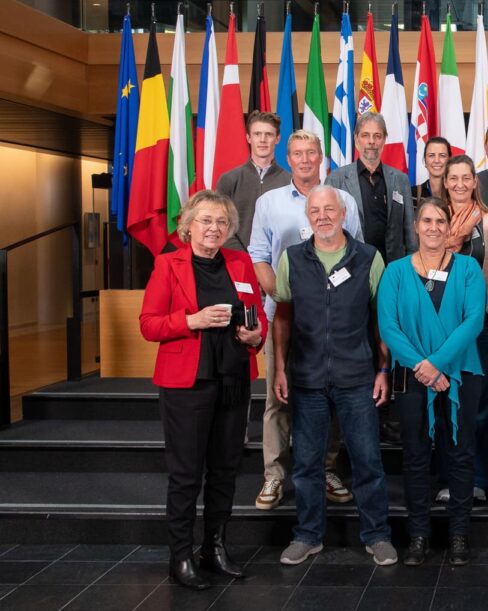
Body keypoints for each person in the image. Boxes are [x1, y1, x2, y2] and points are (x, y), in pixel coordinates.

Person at [139, 190, 267, 590]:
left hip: (234, 379)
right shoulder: (168, 264)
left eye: (221, 222)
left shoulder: (239, 262)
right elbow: (148, 324)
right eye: (206, 220)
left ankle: (214, 548)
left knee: (225, 469)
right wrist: (191, 320)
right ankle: (181, 556)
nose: (214, 228)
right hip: (187, 383)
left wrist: (255, 334)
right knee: (186, 473)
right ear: (188, 225)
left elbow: (258, 317)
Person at [272, 186, 397, 567]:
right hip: (307, 378)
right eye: (315, 211)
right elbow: (282, 317)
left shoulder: (369, 258)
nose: (323, 216)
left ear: (344, 214)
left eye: (330, 209)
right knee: (307, 464)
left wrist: (383, 369)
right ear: (307, 216)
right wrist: (280, 368)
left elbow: (381, 320)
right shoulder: (292, 258)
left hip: (357, 376)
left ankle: (377, 536)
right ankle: (308, 536)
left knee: (367, 461)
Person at [248, 130, 362, 511]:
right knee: (278, 398)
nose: (305, 160)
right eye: (297, 153)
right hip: (283, 316)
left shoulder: (343, 200)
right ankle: (274, 475)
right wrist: (283, 295)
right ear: (289, 158)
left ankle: (326, 469)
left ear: (320, 157)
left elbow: (356, 254)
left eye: (311, 152)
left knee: (329, 397)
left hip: (333, 320)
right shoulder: (269, 202)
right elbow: (259, 256)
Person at [377, 198, 487, 566]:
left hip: (461, 372)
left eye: (441, 220)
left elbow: (474, 321)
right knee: (415, 455)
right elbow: (388, 326)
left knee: (460, 454)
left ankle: (459, 534)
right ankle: (418, 536)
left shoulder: (468, 268)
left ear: (449, 227)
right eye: (427, 220)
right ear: (416, 226)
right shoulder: (395, 272)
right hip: (412, 376)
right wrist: (422, 366)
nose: (434, 227)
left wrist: (436, 365)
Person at [436, 154, 488, 504]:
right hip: (439, 329)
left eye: (467, 177)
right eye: (454, 178)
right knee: (444, 404)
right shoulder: (434, 218)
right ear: (445, 181)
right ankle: (448, 478)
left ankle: (477, 478)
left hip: (481, 327)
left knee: (478, 406)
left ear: (474, 181)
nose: (460, 184)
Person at [326, 111, 417, 264]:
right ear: (356, 139)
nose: (371, 141)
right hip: (352, 265)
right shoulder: (336, 180)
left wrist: (411, 264)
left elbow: (410, 231)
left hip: (393, 266)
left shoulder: (400, 179)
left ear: (384, 140)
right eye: (365, 135)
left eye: (377, 136)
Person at [214, 111, 292, 252]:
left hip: (279, 260)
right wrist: (244, 258)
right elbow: (219, 223)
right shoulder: (229, 179)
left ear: (277, 139)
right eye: (257, 134)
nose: (263, 140)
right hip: (237, 260)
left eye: (268, 134)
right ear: (248, 138)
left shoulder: (289, 181)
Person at [416, 136, 451, 202]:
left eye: (442, 155)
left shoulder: (458, 192)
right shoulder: (412, 194)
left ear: (449, 161)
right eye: (431, 155)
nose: (436, 161)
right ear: (424, 161)